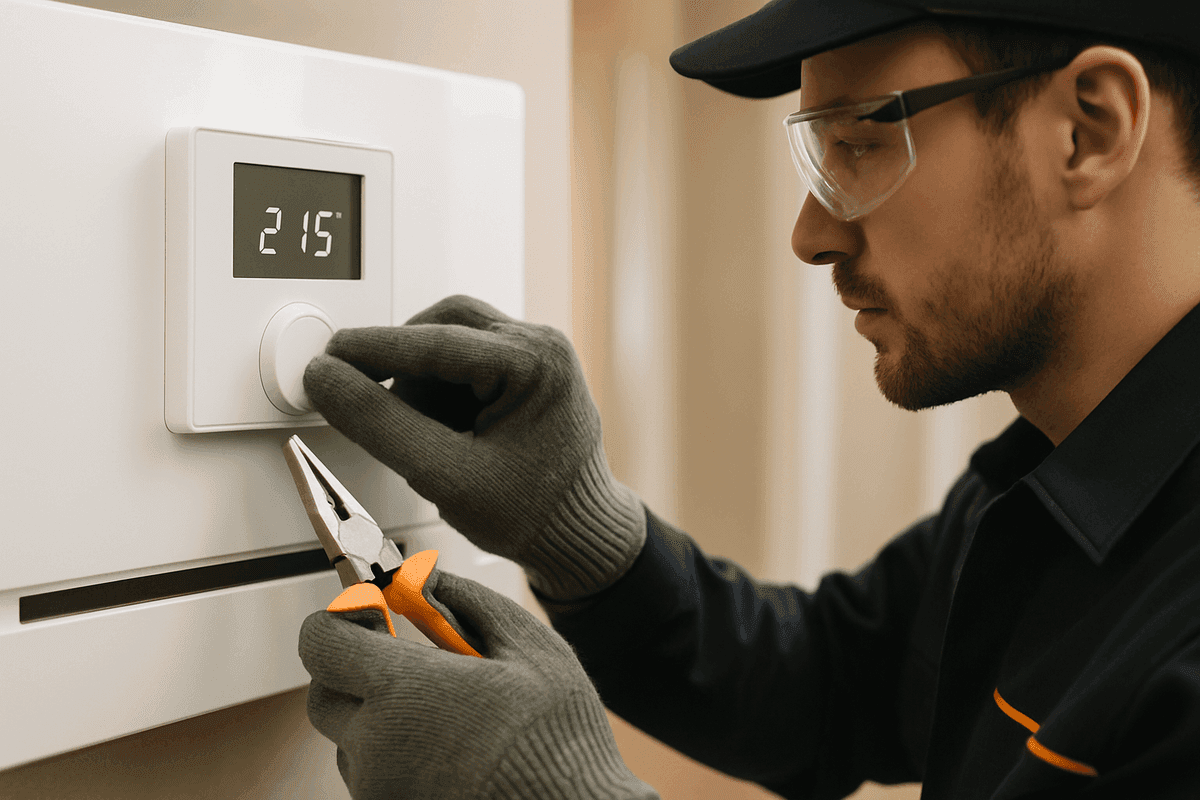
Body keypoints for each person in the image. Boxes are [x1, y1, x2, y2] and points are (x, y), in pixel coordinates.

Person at [296, 0, 1200, 797]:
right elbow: (828, 686)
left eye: (861, 142)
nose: (811, 234)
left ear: (1089, 129)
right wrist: (580, 528)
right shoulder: (1048, 476)